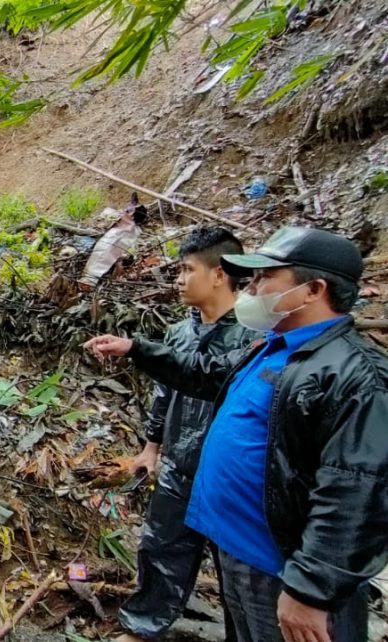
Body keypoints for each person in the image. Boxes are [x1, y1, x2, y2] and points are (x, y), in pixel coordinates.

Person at [85, 227, 388, 642]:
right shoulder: (273, 346)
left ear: (313, 289)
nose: (252, 287)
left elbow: (357, 492)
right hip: (238, 550)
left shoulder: (354, 376)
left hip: (281, 569)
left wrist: (310, 591)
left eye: (265, 278)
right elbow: (203, 375)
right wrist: (137, 349)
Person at [117, 227, 258, 641]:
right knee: (160, 549)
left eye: (187, 269)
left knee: (237, 571)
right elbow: (165, 394)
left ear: (218, 274)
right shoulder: (181, 333)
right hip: (179, 465)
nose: (178, 279)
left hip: (231, 478)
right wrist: (151, 448)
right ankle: (142, 626)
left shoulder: (253, 338)